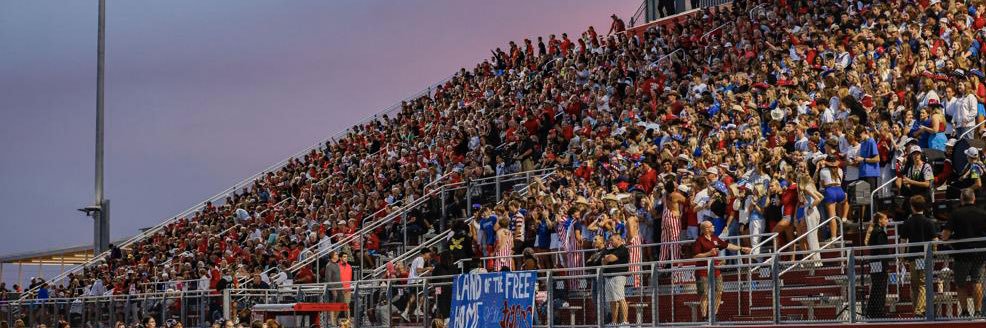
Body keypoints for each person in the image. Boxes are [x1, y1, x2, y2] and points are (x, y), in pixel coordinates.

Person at [941, 189, 986, 317]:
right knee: (976, 281)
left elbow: (945, 235)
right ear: (974, 199)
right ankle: (977, 311)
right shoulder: (982, 213)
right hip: (979, 253)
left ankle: (965, 311)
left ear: (961, 199)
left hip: (962, 254)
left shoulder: (956, 213)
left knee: (960, 283)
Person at [692, 221, 750, 318]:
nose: (713, 226)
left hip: (715, 270)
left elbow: (727, 245)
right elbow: (695, 256)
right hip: (703, 271)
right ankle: (704, 316)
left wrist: (741, 248)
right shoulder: (699, 240)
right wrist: (708, 253)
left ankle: (715, 314)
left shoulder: (715, 238)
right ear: (706, 229)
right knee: (704, 293)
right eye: (711, 226)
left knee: (719, 291)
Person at [898, 195, 937, 317]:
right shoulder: (928, 222)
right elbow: (935, 239)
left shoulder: (907, 222)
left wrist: (902, 256)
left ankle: (917, 309)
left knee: (914, 285)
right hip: (925, 257)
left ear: (912, 207)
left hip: (912, 257)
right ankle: (919, 310)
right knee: (923, 284)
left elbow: (903, 241)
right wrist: (934, 253)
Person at [864, 213, 890, 318]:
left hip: (874, 262)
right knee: (880, 287)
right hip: (880, 262)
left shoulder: (874, 231)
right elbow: (882, 251)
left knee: (875, 286)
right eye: (886, 218)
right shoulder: (880, 232)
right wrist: (886, 266)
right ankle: (879, 311)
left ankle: (872, 311)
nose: (887, 220)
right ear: (880, 220)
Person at [603, 234, 630, 325]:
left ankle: (625, 321)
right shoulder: (612, 250)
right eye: (609, 240)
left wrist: (607, 258)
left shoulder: (623, 249)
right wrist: (606, 258)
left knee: (620, 298)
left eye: (612, 240)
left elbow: (610, 258)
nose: (610, 242)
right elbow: (603, 261)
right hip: (609, 277)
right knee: (612, 300)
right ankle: (614, 322)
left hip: (618, 276)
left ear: (619, 239)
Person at [402, 248, 433, 321]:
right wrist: (428, 268)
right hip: (416, 280)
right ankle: (417, 309)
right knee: (424, 293)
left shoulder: (417, 259)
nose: (429, 256)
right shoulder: (421, 259)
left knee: (413, 297)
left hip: (412, 280)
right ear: (425, 253)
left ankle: (406, 312)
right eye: (429, 254)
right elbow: (418, 270)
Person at [323, 251, 343, 326]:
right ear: (332, 256)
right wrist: (332, 289)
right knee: (333, 305)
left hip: (339, 288)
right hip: (334, 289)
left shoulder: (337, 265)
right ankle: (332, 321)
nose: (338, 255)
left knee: (340, 305)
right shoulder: (329, 265)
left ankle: (335, 319)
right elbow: (328, 279)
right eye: (336, 254)